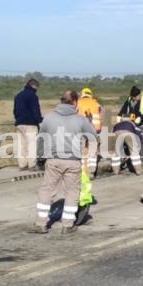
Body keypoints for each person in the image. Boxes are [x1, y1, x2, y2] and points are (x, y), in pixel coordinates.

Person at [34, 90, 96, 234]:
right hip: (73, 161)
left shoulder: (49, 117)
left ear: (61, 100)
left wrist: (40, 157)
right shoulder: (80, 119)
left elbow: (41, 138)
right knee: (72, 192)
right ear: (74, 102)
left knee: (47, 190)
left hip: (53, 160)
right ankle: (67, 225)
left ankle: (41, 223)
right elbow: (92, 136)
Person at [14, 79, 42, 171]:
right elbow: (36, 110)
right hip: (31, 123)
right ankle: (32, 165)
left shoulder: (18, 96)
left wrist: (18, 119)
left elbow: (15, 110)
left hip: (19, 123)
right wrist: (39, 120)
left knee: (22, 144)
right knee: (32, 144)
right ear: (34, 86)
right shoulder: (33, 96)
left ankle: (22, 164)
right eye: (37, 87)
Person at [76, 87, 102, 178]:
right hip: (94, 131)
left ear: (82, 94)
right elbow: (100, 115)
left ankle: (83, 171)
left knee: (83, 151)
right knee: (93, 151)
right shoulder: (96, 104)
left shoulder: (77, 103)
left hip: (81, 131)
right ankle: (91, 172)